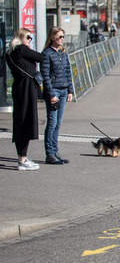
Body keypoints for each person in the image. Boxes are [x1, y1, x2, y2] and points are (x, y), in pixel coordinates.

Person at [7, 28, 43, 171]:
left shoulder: (10, 53)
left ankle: (22, 156)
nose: (30, 40)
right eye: (28, 37)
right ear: (21, 37)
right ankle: (22, 159)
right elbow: (40, 57)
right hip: (27, 89)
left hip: (19, 88)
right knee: (26, 121)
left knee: (20, 120)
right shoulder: (21, 49)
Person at [41, 27, 74, 165]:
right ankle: (49, 154)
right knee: (52, 122)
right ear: (52, 37)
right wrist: (51, 94)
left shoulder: (63, 53)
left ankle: (55, 151)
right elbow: (45, 76)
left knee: (58, 124)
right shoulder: (47, 53)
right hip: (54, 91)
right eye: (59, 37)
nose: (62, 39)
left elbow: (68, 72)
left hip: (63, 90)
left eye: (63, 37)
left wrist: (70, 90)